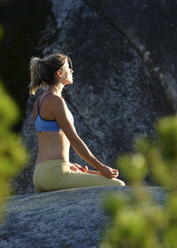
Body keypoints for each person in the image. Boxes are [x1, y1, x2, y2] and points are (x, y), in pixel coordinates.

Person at [29, 53, 125, 192]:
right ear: (60, 73)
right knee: (118, 186)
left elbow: (50, 141)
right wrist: (101, 167)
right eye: (69, 67)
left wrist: (69, 165)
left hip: (39, 174)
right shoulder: (56, 101)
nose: (72, 71)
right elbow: (74, 140)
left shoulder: (39, 102)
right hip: (55, 174)